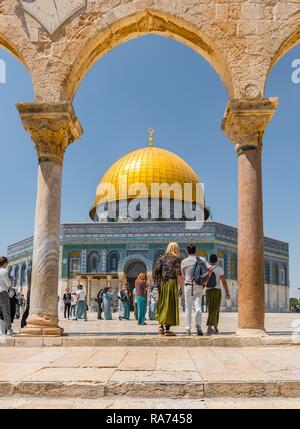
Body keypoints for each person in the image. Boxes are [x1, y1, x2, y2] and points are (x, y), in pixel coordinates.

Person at [153, 242, 184, 336]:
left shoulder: (161, 258)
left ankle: (161, 326)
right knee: (169, 305)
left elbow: (155, 272)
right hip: (171, 283)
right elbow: (178, 273)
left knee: (162, 304)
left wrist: (157, 284)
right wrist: (182, 287)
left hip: (162, 284)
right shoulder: (176, 259)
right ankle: (167, 329)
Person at [181, 243, 210, 336]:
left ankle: (188, 329)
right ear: (195, 250)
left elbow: (183, 275)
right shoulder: (201, 259)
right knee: (198, 306)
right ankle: (198, 326)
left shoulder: (184, 262)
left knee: (188, 308)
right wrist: (205, 281)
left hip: (188, 285)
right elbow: (210, 269)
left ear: (187, 251)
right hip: (198, 285)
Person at [206, 254, 230, 335]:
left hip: (208, 290)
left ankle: (214, 326)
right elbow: (223, 281)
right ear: (216, 261)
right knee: (216, 309)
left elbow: (203, 280)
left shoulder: (207, 268)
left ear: (209, 260)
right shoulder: (219, 269)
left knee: (210, 308)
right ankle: (211, 326)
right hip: (217, 290)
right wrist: (227, 292)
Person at [0, 257, 15, 336]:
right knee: (6, 312)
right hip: (3, 293)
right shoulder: (4, 271)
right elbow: (8, 284)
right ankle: (9, 329)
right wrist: (11, 282)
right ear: (5, 263)